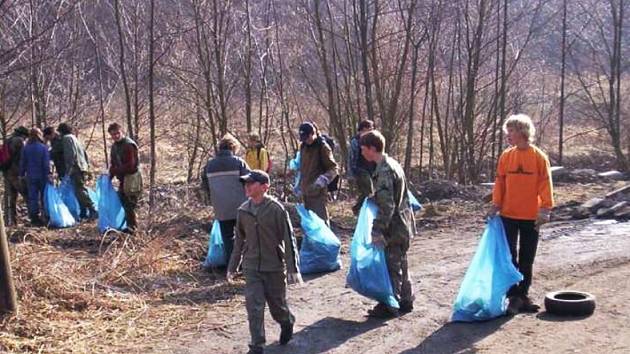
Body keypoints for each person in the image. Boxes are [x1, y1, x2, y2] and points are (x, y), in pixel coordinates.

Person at [226, 170, 301, 354]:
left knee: (278, 307)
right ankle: (257, 345)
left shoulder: (276, 209)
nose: (247, 187)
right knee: (254, 306)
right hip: (252, 267)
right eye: (246, 183)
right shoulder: (243, 211)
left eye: (251, 183)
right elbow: (238, 242)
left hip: (274, 266)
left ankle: (287, 321)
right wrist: (232, 266)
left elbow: (288, 239)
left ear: (264, 187)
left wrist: (293, 268)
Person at [488, 114, 554, 315]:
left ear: (523, 132)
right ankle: (512, 296)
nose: (508, 135)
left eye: (511, 131)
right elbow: (500, 182)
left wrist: (545, 209)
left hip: (531, 217)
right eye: (507, 131)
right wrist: (495, 205)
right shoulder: (506, 156)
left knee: (527, 258)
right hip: (508, 214)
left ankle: (523, 296)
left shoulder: (538, 157)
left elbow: (545, 183)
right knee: (509, 257)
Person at [359, 130, 415, 318]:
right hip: (403, 223)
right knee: (401, 262)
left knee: (391, 265)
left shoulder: (384, 171)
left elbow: (388, 206)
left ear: (373, 149)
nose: (362, 152)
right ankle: (406, 300)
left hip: (394, 227)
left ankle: (390, 304)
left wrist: (377, 231)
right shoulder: (392, 165)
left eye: (364, 148)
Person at [201, 134, 250, 265]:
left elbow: (204, 187)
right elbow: (250, 182)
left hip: (221, 208)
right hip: (241, 206)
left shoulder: (209, 166)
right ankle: (247, 265)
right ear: (233, 148)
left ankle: (232, 267)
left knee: (228, 238)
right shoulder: (239, 163)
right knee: (245, 236)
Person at [297, 122, 338, 225]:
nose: (306, 140)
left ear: (313, 133)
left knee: (321, 223)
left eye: (307, 137)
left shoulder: (323, 147)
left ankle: (326, 242)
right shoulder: (303, 147)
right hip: (305, 191)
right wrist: (299, 183)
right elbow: (303, 168)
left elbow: (333, 168)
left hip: (318, 193)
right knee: (309, 224)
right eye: (303, 138)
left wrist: (322, 180)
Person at [58, 122, 98, 220]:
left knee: (80, 190)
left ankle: (93, 210)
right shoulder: (75, 138)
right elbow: (84, 153)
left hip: (76, 169)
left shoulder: (67, 139)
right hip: (82, 167)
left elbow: (70, 155)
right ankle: (83, 212)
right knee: (78, 191)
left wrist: (69, 169)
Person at [108, 123, 142, 234]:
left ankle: (133, 229)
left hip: (132, 178)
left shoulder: (129, 145)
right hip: (123, 179)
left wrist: (115, 171)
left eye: (117, 133)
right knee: (122, 200)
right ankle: (126, 225)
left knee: (129, 203)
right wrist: (109, 176)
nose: (116, 136)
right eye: (113, 134)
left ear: (121, 132)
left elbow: (130, 165)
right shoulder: (114, 147)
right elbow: (113, 163)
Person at [19, 128, 51, 226]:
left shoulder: (26, 148)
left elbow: (23, 162)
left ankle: (34, 218)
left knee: (33, 197)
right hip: (42, 176)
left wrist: (21, 174)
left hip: (31, 176)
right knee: (44, 197)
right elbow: (46, 164)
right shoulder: (43, 147)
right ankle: (45, 217)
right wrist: (49, 174)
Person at [347, 119, 376, 215]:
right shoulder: (355, 141)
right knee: (369, 191)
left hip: (371, 169)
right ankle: (358, 209)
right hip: (360, 169)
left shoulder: (372, 140)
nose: (372, 131)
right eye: (370, 129)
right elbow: (351, 158)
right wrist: (350, 174)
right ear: (363, 129)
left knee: (367, 192)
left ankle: (363, 209)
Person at [2, 126, 29, 226]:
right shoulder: (20, 141)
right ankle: (33, 217)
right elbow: (23, 157)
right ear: (23, 134)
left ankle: (12, 221)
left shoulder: (8, 140)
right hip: (16, 172)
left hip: (7, 171)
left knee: (12, 198)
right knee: (26, 194)